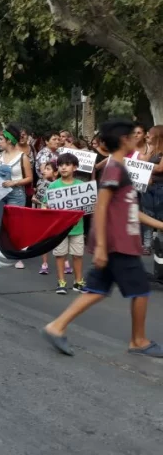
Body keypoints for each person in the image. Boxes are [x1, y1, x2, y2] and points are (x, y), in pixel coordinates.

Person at [42, 119, 163, 359]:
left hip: (117, 243)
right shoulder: (114, 170)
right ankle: (138, 340)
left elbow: (128, 209)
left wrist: (160, 224)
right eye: (132, 135)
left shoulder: (120, 167)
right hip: (118, 244)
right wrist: (100, 247)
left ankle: (56, 326)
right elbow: (101, 206)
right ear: (123, 140)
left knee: (96, 290)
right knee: (139, 290)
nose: (137, 138)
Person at [42, 153, 86, 294]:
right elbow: (45, 204)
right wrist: (45, 215)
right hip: (59, 229)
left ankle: (78, 281)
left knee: (78, 255)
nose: (63, 167)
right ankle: (61, 281)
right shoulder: (53, 186)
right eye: (60, 165)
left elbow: (89, 205)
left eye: (67, 165)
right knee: (60, 255)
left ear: (75, 167)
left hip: (77, 228)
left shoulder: (81, 185)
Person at [0, 125, 33, 269]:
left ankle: (18, 255)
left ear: (9, 140)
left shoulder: (23, 157)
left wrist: (14, 182)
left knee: (15, 224)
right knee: (1, 222)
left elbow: (29, 178)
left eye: (1, 139)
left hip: (16, 193)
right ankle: (4, 251)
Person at [34, 162, 59, 275]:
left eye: (47, 169)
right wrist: (37, 200)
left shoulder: (59, 185)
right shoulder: (40, 182)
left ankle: (66, 262)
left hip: (56, 215)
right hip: (43, 213)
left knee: (60, 237)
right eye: (44, 169)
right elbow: (37, 197)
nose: (44, 171)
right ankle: (44, 263)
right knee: (44, 239)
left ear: (55, 172)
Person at [142, 125, 163, 256]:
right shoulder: (153, 150)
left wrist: (146, 165)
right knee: (147, 215)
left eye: (150, 133)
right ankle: (147, 244)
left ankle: (160, 243)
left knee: (160, 216)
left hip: (161, 187)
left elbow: (160, 168)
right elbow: (143, 163)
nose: (147, 136)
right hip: (149, 186)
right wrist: (149, 150)